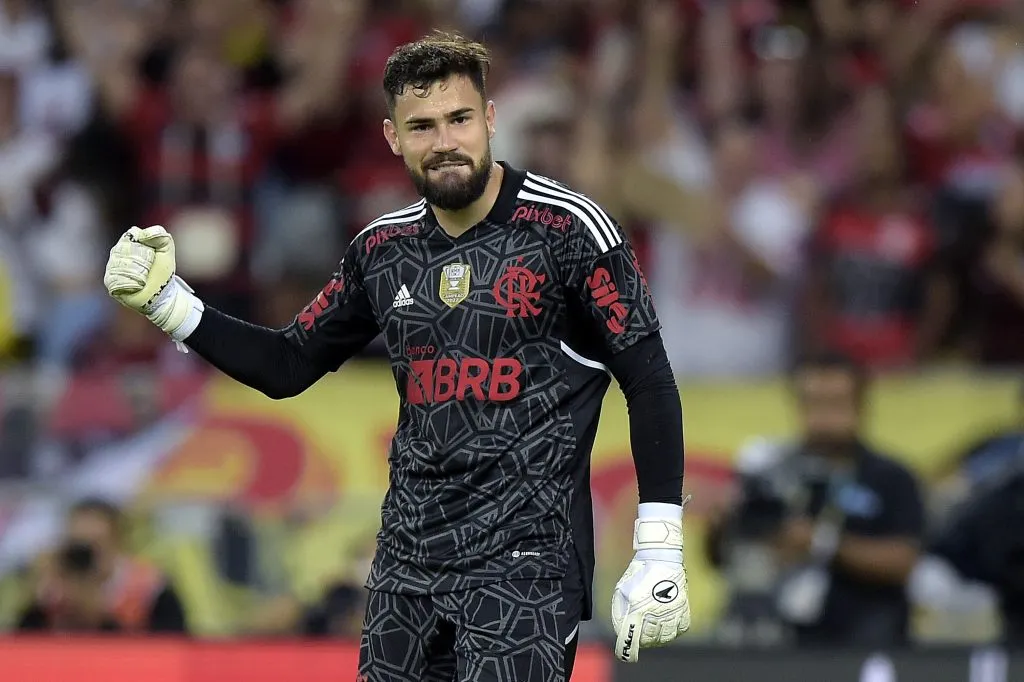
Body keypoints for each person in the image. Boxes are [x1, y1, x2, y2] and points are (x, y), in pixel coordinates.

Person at [103, 31, 689, 680]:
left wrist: (658, 546)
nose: (444, 142)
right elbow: (288, 363)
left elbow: (650, 380)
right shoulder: (381, 249)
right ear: (392, 137)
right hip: (405, 571)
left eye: (460, 119)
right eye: (422, 126)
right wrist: (167, 303)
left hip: (525, 563)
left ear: (490, 120)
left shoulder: (570, 231)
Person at [705, 352, 924, 646]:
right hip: (774, 640)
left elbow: (903, 562)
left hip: (861, 639)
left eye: (835, 404)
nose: (823, 417)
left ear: (860, 406)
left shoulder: (890, 477)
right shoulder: (769, 471)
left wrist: (822, 544)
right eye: (812, 403)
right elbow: (719, 559)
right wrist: (721, 525)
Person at [17, 498, 187, 634]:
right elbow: (21, 647)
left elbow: (170, 648)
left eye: (96, 544)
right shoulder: (54, 590)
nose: (86, 557)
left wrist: (97, 614)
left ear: (118, 541)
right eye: (78, 547)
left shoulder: (149, 589)